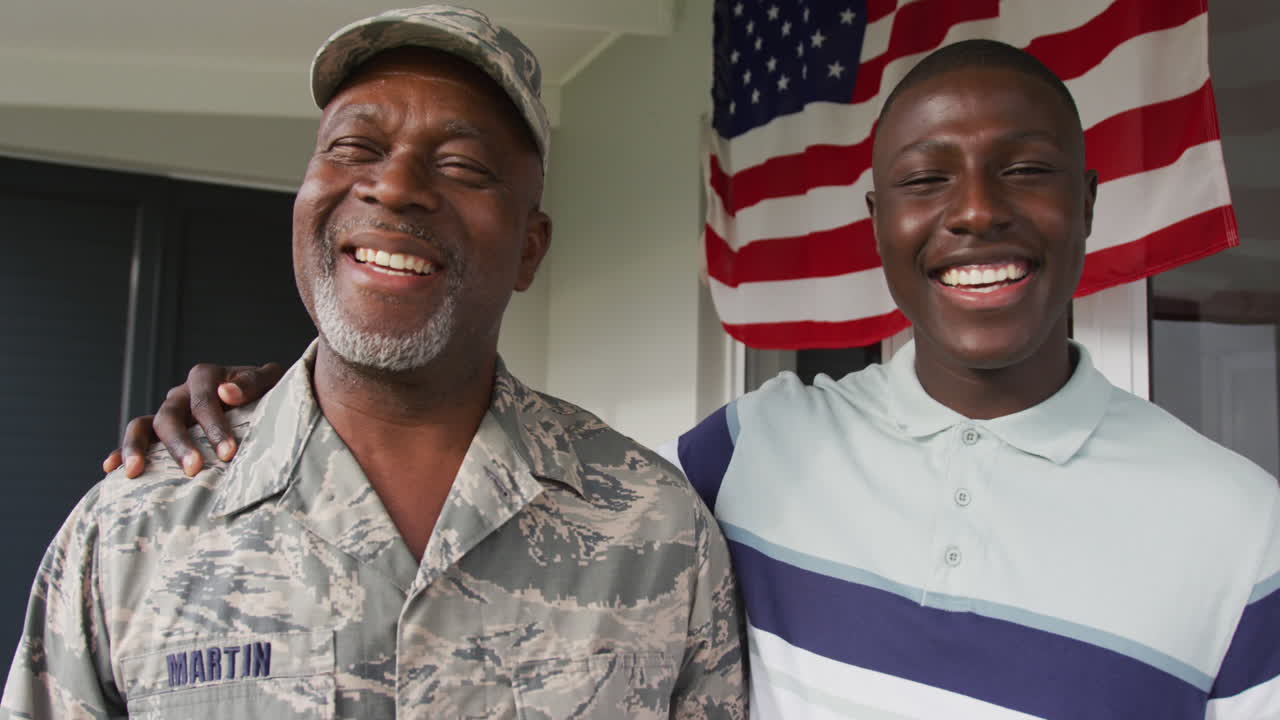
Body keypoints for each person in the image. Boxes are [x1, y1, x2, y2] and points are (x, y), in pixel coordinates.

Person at [102, 39, 1280, 719]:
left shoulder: (1240, 529)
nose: (974, 213)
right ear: (877, 224)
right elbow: (448, 425)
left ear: (1083, 207)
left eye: (1023, 173)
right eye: (927, 181)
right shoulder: (745, 456)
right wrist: (290, 401)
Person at [1, 6, 745, 719]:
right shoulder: (133, 526)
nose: (393, 186)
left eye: (462, 164)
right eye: (354, 148)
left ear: (529, 248)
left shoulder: (656, 531)